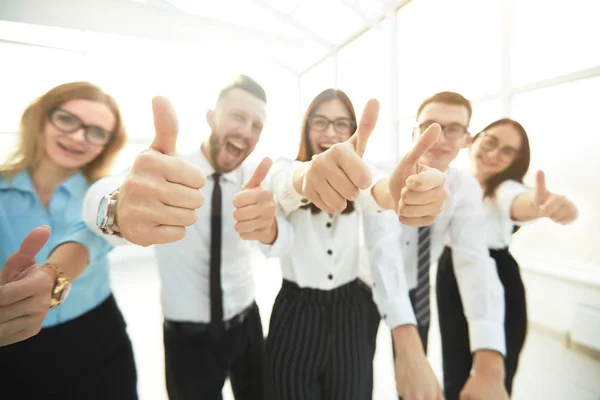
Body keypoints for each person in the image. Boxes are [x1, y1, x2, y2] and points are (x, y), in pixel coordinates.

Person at [75, 75, 291, 400]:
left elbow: (285, 237)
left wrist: (272, 229)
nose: (247, 131)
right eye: (237, 116)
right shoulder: (169, 170)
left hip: (247, 325)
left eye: (256, 125)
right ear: (211, 117)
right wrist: (118, 209)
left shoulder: (257, 180)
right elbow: (98, 196)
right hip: (187, 340)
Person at [262, 88, 448, 400]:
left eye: (341, 124)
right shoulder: (285, 167)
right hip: (295, 312)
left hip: (351, 313)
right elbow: (284, 183)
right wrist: (306, 177)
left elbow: (375, 191)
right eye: (320, 122)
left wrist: (392, 195)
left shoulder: (364, 172)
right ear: (306, 127)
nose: (331, 132)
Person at [369, 91, 511, 400]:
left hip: (416, 288)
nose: (441, 137)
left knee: (416, 385)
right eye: (430, 126)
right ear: (414, 133)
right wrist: (406, 345)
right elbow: (382, 249)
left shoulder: (465, 188)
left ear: (467, 138)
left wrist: (489, 358)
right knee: (354, 375)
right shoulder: (381, 173)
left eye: (454, 129)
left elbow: (474, 259)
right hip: (361, 286)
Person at [0, 82, 137, 399]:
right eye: (67, 120)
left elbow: (101, 228)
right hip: (14, 345)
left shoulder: (105, 194)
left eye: (97, 132)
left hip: (97, 334)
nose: (78, 137)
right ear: (42, 118)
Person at [436, 118, 579, 399]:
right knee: (455, 370)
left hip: (498, 279)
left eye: (507, 151)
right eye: (490, 142)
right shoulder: (452, 180)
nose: (493, 154)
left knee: (496, 376)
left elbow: (520, 203)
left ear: (516, 161)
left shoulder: (504, 189)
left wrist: (542, 207)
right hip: (451, 275)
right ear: (473, 139)